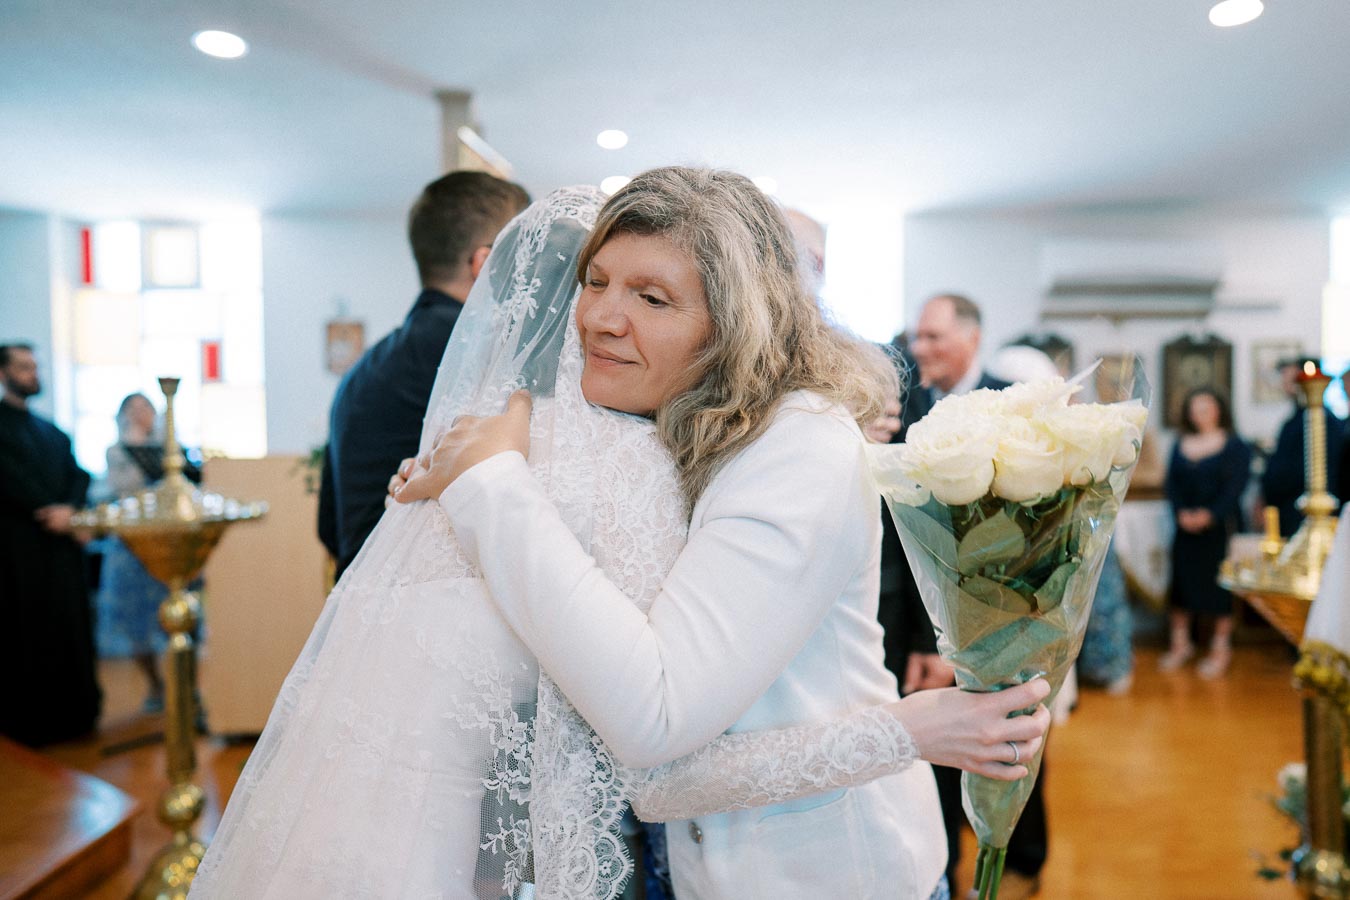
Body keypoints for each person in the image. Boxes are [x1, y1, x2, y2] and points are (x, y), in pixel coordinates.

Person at [398, 169, 1051, 899]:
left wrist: (495, 489)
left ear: (736, 322)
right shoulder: (656, 417)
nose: (600, 318)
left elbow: (655, 730)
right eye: (597, 280)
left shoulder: (798, 449)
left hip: (829, 873)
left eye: (651, 297)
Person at [318, 170, 530, 578]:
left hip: (361, 595)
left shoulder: (364, 368)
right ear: (484, 263)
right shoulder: (483, 353)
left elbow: (330, 526)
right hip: (422, 591)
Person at [0, 343, 101, 745]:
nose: (32, 374)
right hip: (18, 552)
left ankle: (75, 716)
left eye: (34, 367)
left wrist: (71, 511)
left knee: (68, 629)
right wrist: (49, 509)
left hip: (60, 551)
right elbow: (10, 479)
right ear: (4, 372)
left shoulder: (51, 431)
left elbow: (79, 475)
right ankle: (31, 722)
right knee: (26, 632)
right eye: (23, 367)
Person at [94, 392, 202, 712]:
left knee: (184, 616)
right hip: (133, 546)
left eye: (146, 407)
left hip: (171, 542)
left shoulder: (172, 449)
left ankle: (187, 689)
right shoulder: (117, 451)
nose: (141, 413)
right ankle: (155, 685)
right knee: (136, 621)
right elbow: (125, 490)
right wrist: (134, 442)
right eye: (134, 408)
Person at [1160, 387, 1252, 679]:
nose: (1200, 413)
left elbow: (1236, 487)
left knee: (1219, 588)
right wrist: (1182, 513)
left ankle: (1220, 648)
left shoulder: (1235, 445)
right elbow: (1172, 484)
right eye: (1195, 407)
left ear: (1219, 410)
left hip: (1219, 529)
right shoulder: (1180, 443)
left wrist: (1210, 515)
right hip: (1185, 528)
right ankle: (1180, 644)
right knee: (1181, 586)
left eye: (1206, 407)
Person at [1260, 357, 1344, 537]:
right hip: (1289, 509)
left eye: (1292, 380)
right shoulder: (1294, 420)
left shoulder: (1325, 421)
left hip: (1306, 511)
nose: (1286, 385)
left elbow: (1312, 469)